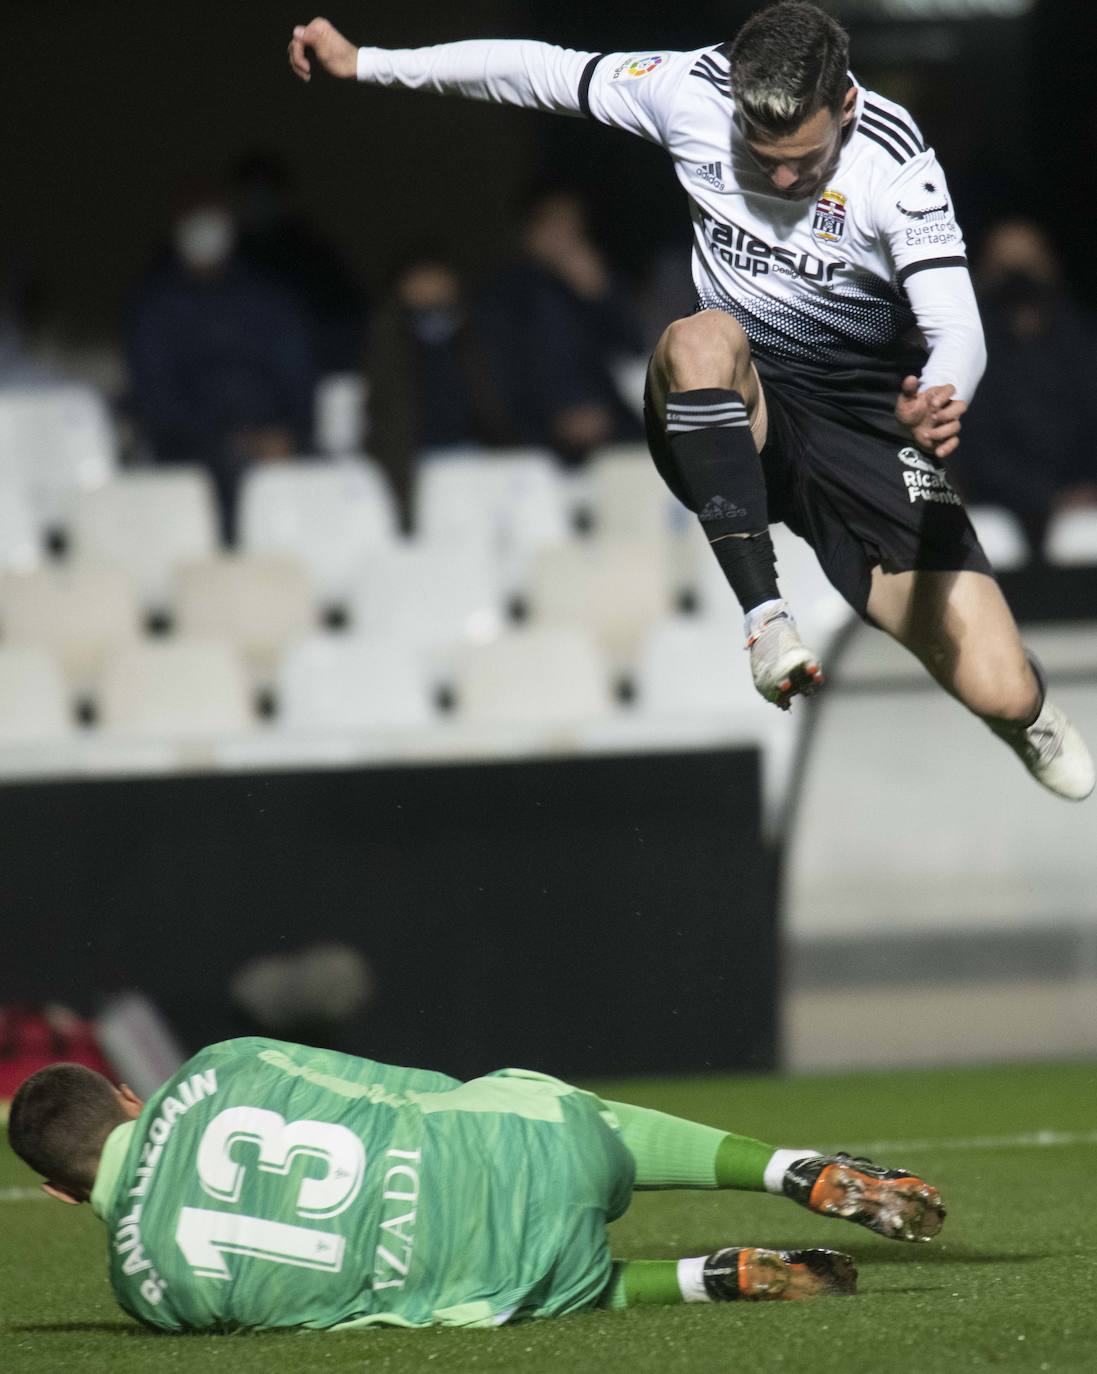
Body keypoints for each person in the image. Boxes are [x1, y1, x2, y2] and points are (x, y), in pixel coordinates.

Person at [286, 4, 1095, 802]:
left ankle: (1024, 717)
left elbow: (958, 326)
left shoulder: (896, 164)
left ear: (844, 106)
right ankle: (764, 619)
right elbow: (533, 70)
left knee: (997, 685)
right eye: (761, 156)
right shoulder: (688, 90)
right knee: (697, 337)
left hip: (867, 426)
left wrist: (943, 394)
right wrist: (371, 61)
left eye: (802, 163)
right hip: (738, 404)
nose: (780, 180)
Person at [7, 1036, 945, 1332]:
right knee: (590, 1128)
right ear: (127, 1093)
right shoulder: (219, 1065)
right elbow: (387, 1088)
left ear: (59, 1192)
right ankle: (796, 1170)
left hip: (477, 1274)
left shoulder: (145, 1290)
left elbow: (302, 1315)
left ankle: (717, 1276)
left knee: (532, 1287)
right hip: (501, 1148)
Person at [127, 189, 317, 542]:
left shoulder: (267, 296)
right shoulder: (156, 307)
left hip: (274, 436)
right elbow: (155, 396)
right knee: (228, 467)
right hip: (192, 445)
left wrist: (288, 432)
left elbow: (297, 377)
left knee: (325, 469)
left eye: (212, 218)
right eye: (194, 219)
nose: (205, 231)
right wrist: (227, 438)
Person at [952, 218, 1097, 552]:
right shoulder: (964, 353)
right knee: (990, 539)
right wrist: (1047, 499)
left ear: (1050, 265)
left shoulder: (1083, 342)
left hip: (1084, 503)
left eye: (1028, 264)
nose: (1018, 276)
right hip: (996, 509)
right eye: (1005, 266)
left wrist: (1085, 492)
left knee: (1082, 537)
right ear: (983, 270)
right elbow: (973, 448)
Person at [479, 185, 646, 465]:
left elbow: (633, 350)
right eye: (558, 222)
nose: (570, 235)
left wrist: (602, 295)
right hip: (534, 436)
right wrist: (558, 415)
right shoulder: (504, 293)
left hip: (611, 431)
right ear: (531, 229)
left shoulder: (591, 284)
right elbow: (498, 376)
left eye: (575, 225)